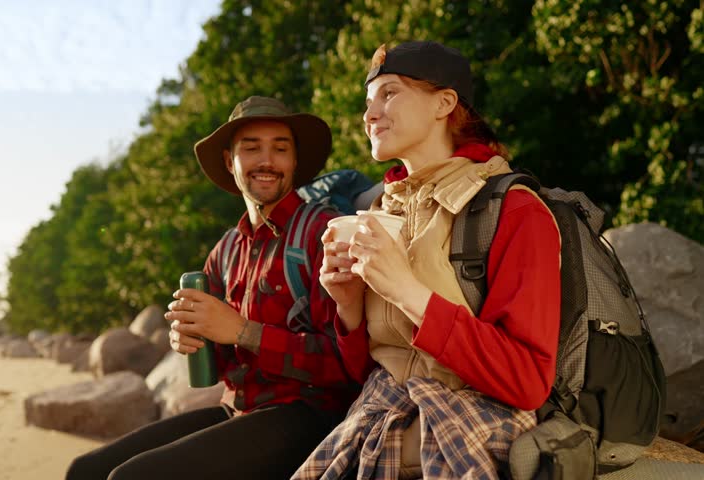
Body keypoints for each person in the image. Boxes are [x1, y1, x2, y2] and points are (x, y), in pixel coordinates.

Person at [293, 41, 562, 479]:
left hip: (470, 416)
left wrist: (404, 289)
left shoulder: (514, 210)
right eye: (368, 103)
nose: (370, 115)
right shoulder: (382, 210)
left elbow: (527, 380)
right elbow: (369, 370)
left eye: (390, 93)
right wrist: (347, 306)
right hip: (381, 408)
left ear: (444, 102)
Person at [65, 96, 372, 480]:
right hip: (239, 407)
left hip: (310, 414)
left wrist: (244, 331)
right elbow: (220, 369)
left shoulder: (322, 231)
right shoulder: (226, 250)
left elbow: (348, 368)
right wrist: (194, 338)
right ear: (230, 162)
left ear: (295, 162)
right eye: (252, 147)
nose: (267, 160)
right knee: (86, 470)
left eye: (280, 148)